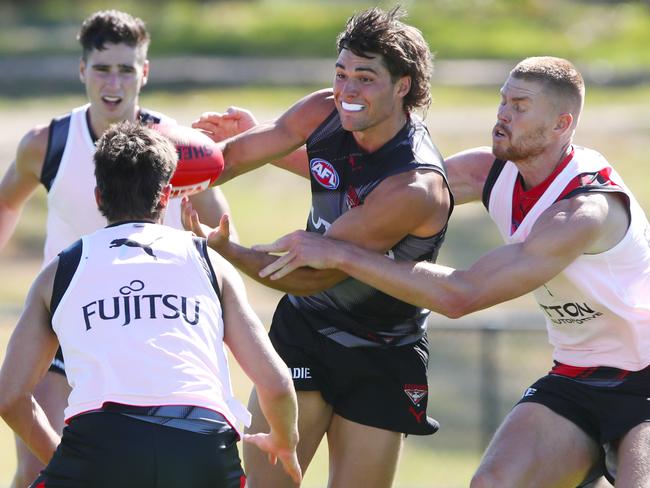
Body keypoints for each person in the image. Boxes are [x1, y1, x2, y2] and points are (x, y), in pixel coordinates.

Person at [252, 56, 650, 487]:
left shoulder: (583, 211)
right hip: (577, 376)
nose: (502, 114)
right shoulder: (490, 171)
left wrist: (340, 255)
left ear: (561, 124)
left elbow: (462, 294)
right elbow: (390, 186)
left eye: (520, 106)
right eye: (503, 101)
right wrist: (255, 139)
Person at [184, 6, 452, 488]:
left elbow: (314, 272)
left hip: (384, 350)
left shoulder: (412, 187)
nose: (347, 89)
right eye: (342, 73)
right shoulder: (322, 111)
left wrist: (225, 248)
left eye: (365, 78)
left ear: (403, 85)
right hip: (306, 328)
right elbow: (234, 156)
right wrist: (165, 173)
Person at [0, 10, 237, 487]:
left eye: (126, 69)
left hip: (149, 324)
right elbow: (5, 205)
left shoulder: (175, 146)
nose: (114, 81)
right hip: (65, 326)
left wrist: (203, 195)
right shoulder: (47, 144)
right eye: (103, 68)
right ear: (82, 70)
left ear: (143, 73)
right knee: (32, 467)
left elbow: (220, 228)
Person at [0, 121, 301, 487]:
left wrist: (62, 460)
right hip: (202, 446)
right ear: (166, 197)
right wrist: (284, 441)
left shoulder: (60, 270)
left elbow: (10, 397)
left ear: (98, 196)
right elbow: (277, 383)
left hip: (100, 444)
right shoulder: (210, 263)